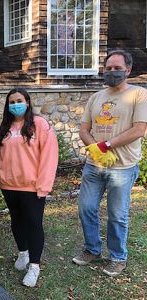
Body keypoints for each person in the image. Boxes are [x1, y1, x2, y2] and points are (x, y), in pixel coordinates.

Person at [72, 50, 147, 276]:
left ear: (128, 70)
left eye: (117, 68)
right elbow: (84, 129)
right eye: (108, 68)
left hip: (122, 168)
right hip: (94, 165)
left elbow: (139, 129)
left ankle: (117, 257)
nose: (112, 72)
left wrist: (107, 145)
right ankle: (92, 250)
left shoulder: (139, 94)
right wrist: (95, 148)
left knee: (117, 215)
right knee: (86, 208)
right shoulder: (96, 97)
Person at [0, 87, 58, 287]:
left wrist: (43, 185)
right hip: (9, 185)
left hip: (32, 186)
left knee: (33, 224)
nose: (15, 105)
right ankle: (23, 253)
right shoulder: (2, 128)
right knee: (17, 221)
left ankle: (34, 266)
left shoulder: (39, 125)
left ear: (27, 102)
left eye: (19, 100)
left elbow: (49, 156)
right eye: (11, 102)